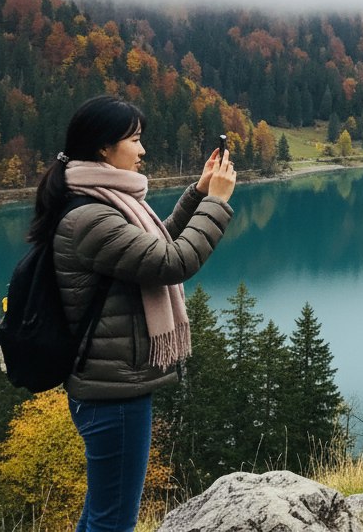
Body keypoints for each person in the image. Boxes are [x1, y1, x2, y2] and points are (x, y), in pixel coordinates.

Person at [30, 96, 236, 532]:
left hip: (107, 386)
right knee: (114, 522)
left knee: (101, 513)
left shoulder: (95, 201)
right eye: (135, 139)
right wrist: (217, 203)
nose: (142, 150)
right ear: (104, 148)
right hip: (113, 395)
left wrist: (198, 193)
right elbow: (172, 262)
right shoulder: (90, 218)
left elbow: (152, 248)